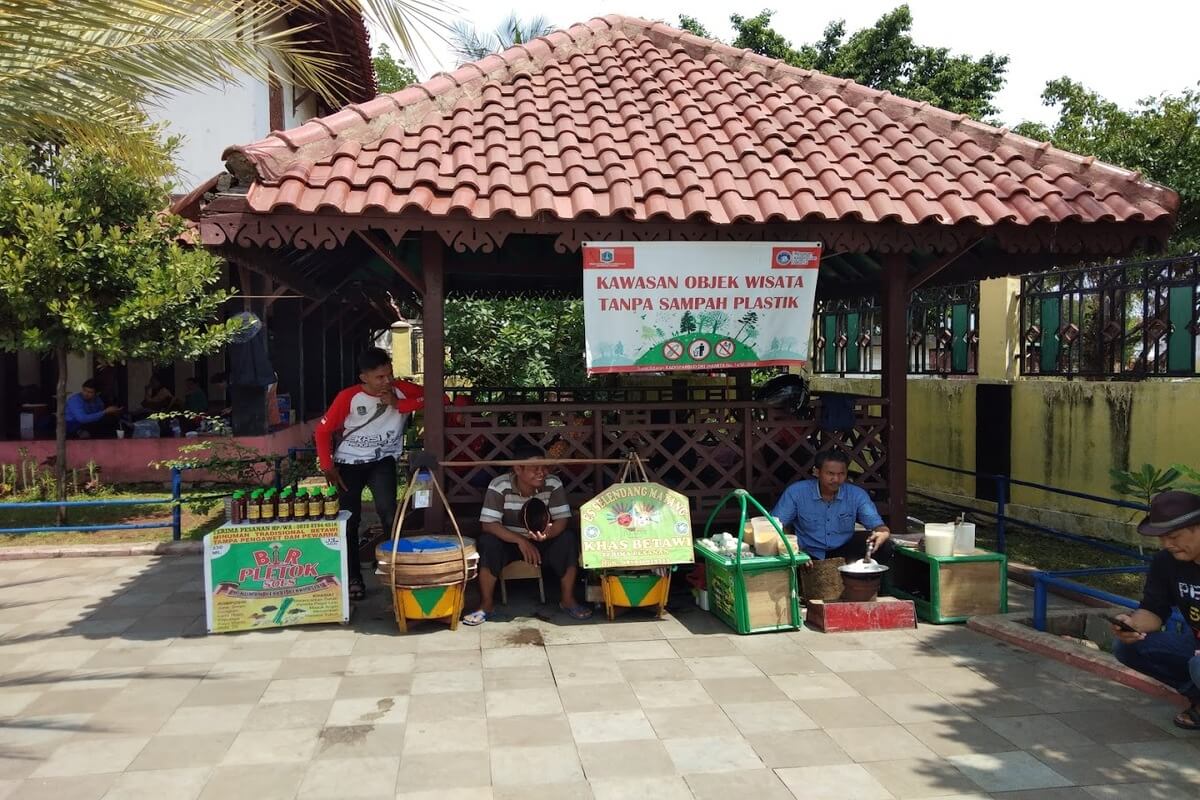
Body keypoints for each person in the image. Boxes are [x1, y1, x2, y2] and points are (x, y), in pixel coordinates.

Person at [315, 348, 425, 602]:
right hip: (349, 464)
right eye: (379, 378)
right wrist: (327, 466)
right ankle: (354, 577)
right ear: (363, 377)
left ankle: (394, 571)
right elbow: (322, 432)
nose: (386, 382)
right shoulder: (349, 397)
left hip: (382, 461)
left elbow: (438, 399)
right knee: (349, 521)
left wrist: (400, 405)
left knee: (389, 514)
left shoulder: (400, 389)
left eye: (389, 375)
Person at [462, 444, 592, 625]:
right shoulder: (500, 485)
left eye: (544, 468)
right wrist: (521, 541)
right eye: (534, 469)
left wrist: (548, 534)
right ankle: (486, 605)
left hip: (543, 540)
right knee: (487, 543)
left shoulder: (553, 483)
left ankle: (568, 600)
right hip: (510, 541)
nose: (542, 472)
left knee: (568, 539)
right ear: (518, 469)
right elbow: (488, 524)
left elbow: (562, 519)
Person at [1110, 490, 1200, 730]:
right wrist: (1132, 625)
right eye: (1161, 537)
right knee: (1129, 647)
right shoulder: (1166, 562)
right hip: (1196, 645)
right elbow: (1153, 610)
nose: (1166, 544)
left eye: (1174, 536)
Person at [771, 450, 892, 565]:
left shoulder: (856, 495)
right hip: (808, 552)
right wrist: (795, 551)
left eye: (841, 474)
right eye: (830, 474)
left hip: (843, 550)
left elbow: (878, 526)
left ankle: (870, 585)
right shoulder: (796, 492)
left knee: (885, 545)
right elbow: (776, 526)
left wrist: (882, 534)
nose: (836, 479)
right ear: (817, 472)